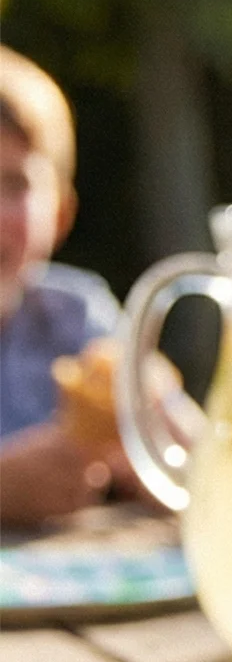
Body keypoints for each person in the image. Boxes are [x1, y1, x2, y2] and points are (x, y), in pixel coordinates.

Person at [0, 49, 130, 526]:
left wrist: (151, 443)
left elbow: (193, 465)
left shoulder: (78, 317)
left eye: (14, 185)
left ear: (60, 214)